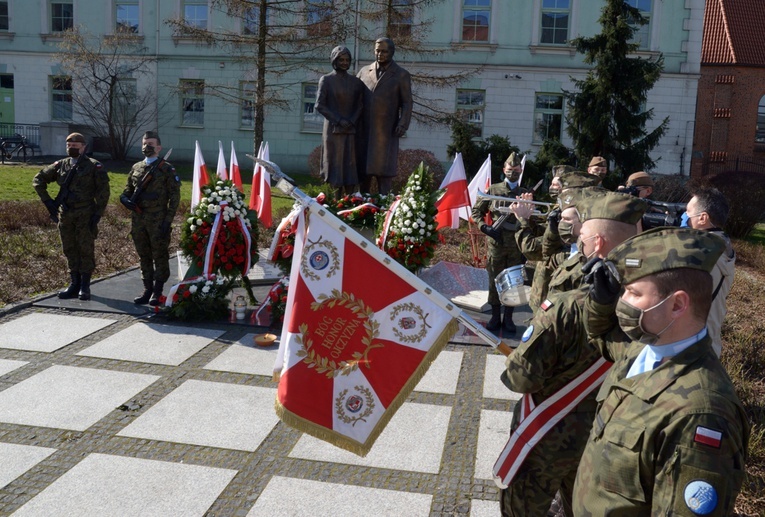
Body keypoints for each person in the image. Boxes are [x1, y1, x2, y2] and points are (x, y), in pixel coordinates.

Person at [573, 227, 749, 515]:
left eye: (633, 293)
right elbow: (600, 334)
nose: (622, 303)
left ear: (677, 304)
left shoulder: (701, 414)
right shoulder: (643, 349)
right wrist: (601, 301)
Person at [496, 191, 646, 516]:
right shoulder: (651, 311)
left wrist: (516, 357)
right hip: (604, 440)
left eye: (583, 233)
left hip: (549, 439)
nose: (578, 237)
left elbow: (520, 378)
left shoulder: (566, 307)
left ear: (599, 243)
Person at [33, 132, 110, 301]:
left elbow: (103, 192)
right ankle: (74, 283)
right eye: (69, 146)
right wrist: (48, 202)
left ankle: (85, 286)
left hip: (85, 214)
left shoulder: (94, 166)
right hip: (66, 214)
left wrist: (97, 214)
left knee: (85, 249)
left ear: (83, 147)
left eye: (75, 146)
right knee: (69, 248)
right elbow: (38, 180)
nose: (72, 148)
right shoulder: (61, 165)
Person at [120, 131, 181, 306]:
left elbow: (174, 197)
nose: (147, 147)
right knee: (143, 254)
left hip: (158, 218)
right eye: (145, 143)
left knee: (159, 254)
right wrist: (124, 199)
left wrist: (168, 220)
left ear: (159, 147)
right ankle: (147, 288)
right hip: (138, 218)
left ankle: (158, 291)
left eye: (151, 144)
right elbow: (127, 190)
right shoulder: (136, 167)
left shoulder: (167, 169)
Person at [471, 152, 527, 334]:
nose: (513, 173)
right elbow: (476, 212)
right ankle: (495, 317)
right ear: (504, 170)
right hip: (496, 243)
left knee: (514, 283)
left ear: (520, 171)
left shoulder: (524, 193)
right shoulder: (493, 190)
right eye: (510, 170)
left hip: (516, 246)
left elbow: (531, 219)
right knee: (494, 280)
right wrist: (484, 227)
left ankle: (509, 318)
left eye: (516, 170)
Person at [681, 187, 735, 357]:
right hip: (708, 343)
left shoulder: (700, 253)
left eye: (688, 213)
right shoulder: (722, 245)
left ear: (703, 218)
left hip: (690, 348)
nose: (684, 217)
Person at [356, 37, 412, 195]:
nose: (380, 54)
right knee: (363, 173)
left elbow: (407, 102)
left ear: (392, 52)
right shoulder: (363, 72)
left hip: (386, 132)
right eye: (377, 50)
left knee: (384, 174)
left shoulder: (401, 75)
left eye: (384, 51)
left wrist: (402, 124)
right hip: (364, 132)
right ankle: (361, 208)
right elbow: (355, 98)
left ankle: (384, 210)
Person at [315, 45, 365, 198]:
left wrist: (351, 120)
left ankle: (349, 200)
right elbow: (319, 105)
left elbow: (360, 104)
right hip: (333, 130)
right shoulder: (327, 80)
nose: (344, 62)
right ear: (334, 60)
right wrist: (338, 120)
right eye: (341, 59)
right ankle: (335, 201)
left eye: (347, 60)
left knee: (350, 165)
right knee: (335, 165)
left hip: (351, 130)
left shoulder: (356, 82)